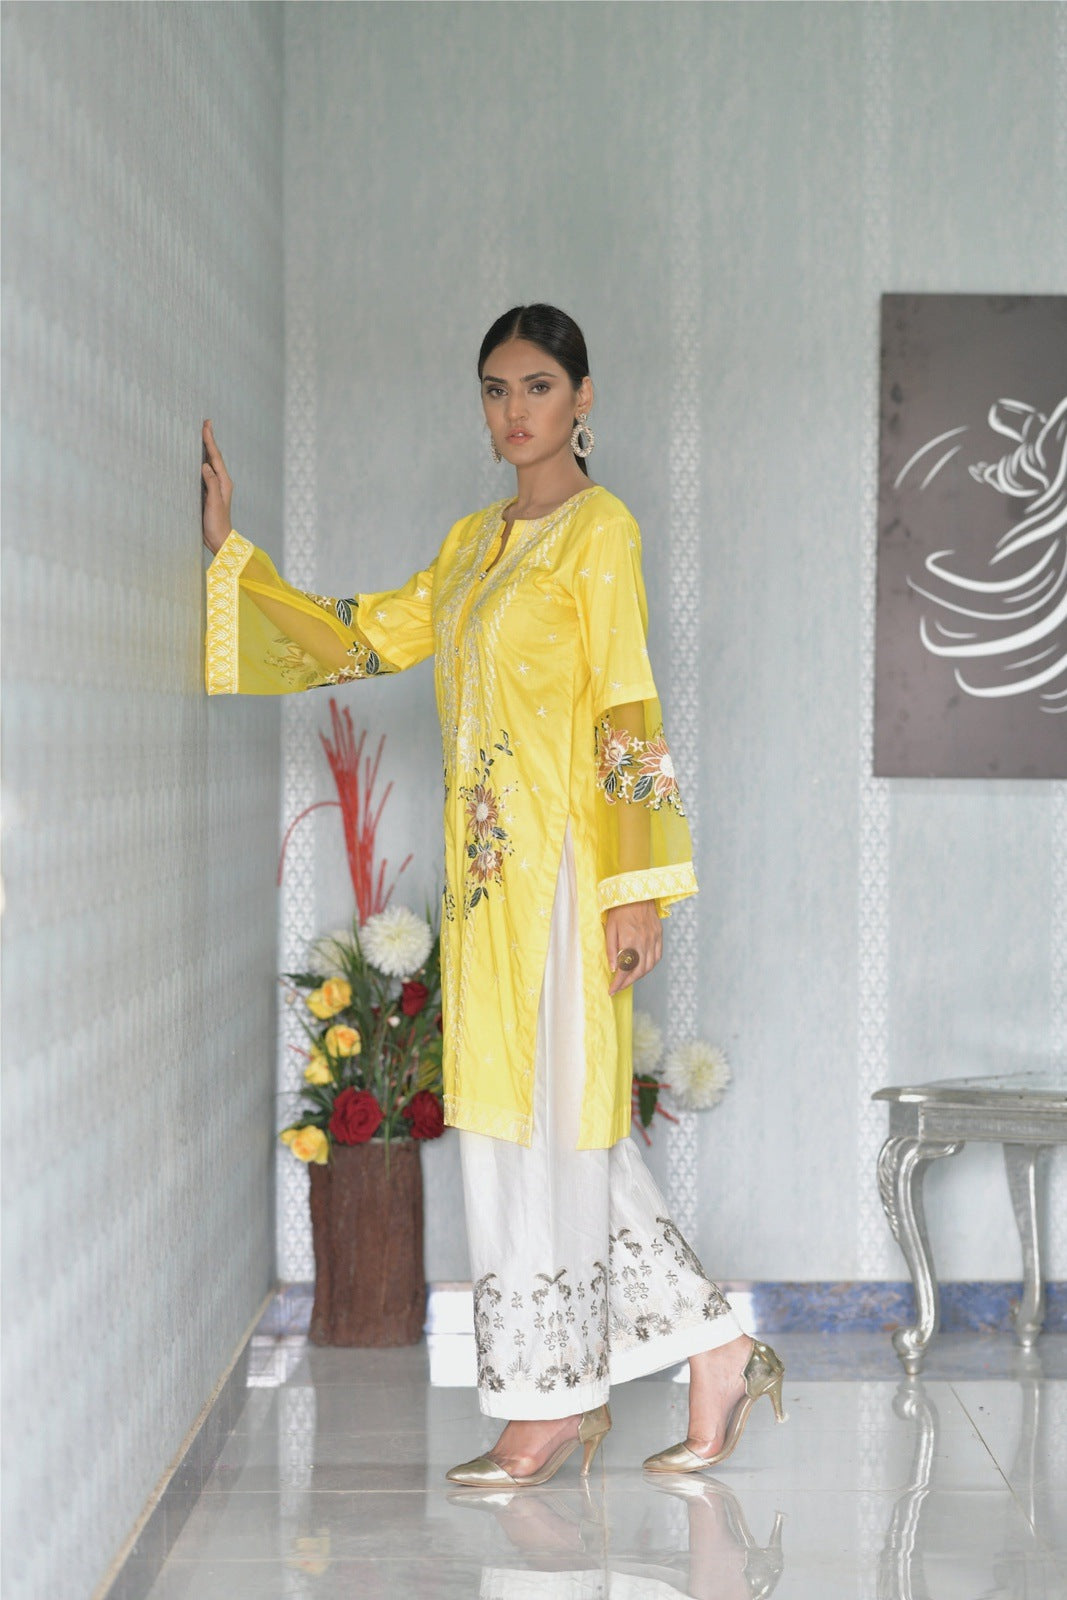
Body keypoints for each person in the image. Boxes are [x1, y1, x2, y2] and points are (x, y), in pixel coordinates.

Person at [201, 303, 785, 1487]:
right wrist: (232, 562)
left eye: (536, 387)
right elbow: (366, 637)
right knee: (516, 1124)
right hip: (483, 889)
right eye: (494, 389)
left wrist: (633, 888)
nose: (513, 411)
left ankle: (551, 1404)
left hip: (566, 872)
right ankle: (705, 1351)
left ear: (581, 397)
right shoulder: (471, 545)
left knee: (555, 1126)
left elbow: (626, 708)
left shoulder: (599, 532)